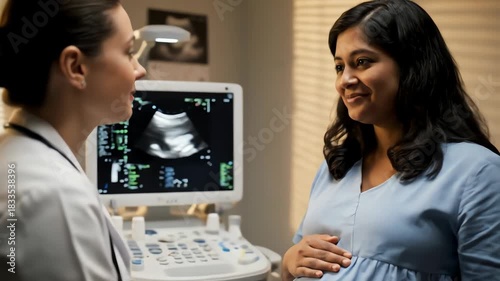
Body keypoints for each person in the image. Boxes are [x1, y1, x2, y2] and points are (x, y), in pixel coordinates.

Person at [281, 0, 500, 280]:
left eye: (362, 62)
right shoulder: (336, 166)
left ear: (413, 67)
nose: (345, 80)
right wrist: (288, 262)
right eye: (339, 66)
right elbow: (297, 262)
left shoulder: (477, 172)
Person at [0, 0, 146, 280]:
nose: (140, 69)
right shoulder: (55, 196)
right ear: (76, 67)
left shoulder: (18, 153)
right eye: (129, 52)